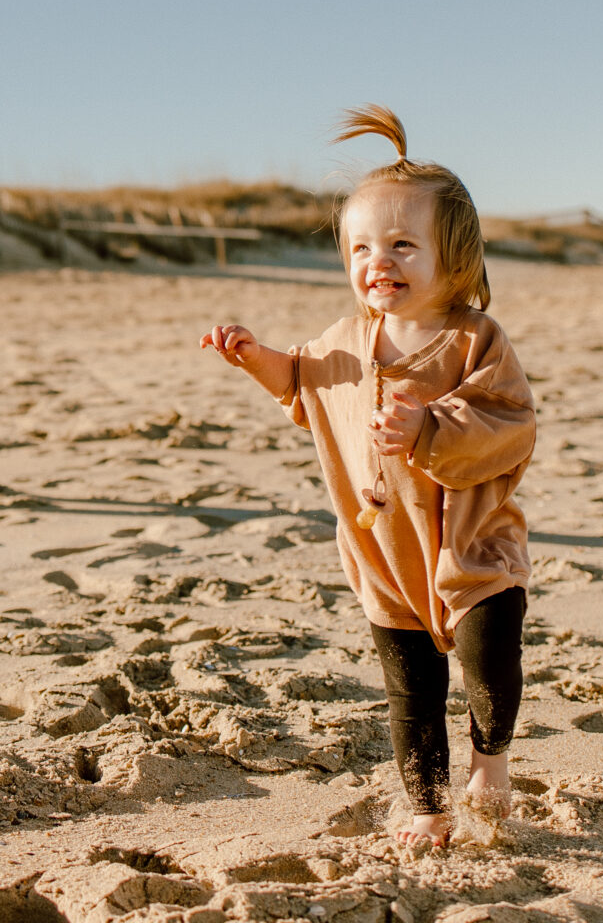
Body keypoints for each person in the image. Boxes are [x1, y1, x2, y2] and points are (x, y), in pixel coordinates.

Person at [200, 105, 536, 848]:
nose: (375, 261)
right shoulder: (346, 340)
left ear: (455, 259)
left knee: (488, 659)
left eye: (401, 244)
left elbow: (510, 424)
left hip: (471, 545)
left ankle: (491, 761)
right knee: (410, 691)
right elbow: (303, 382)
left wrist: (429, 428)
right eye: (358, 247)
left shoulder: (473, 338)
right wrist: (252, 355)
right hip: (385, 551)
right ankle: (426, 806)